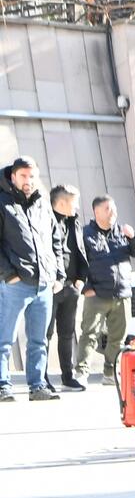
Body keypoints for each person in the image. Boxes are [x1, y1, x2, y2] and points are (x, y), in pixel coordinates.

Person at [0, 156, 61, 401]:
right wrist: (9, 274)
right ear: (13, 176)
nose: (28, 181)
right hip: (15, 284)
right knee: (5, 339)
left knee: (39, 340)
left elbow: (55, 239)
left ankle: (37, 386)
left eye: (32, 176)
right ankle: (2, 385)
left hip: (44, 283)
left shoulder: (42, 203)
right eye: (24, 176)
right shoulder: (2, 202)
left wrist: (58, 274)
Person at [75, 196, 135, 388]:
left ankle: (109, 372)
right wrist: (87, 287)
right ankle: (81, 371)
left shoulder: (122, 231)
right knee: (89, 334)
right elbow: (78, 263)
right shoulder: (86, 234)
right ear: (96, 212)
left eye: (114, 208)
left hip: (121, 293)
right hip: (97, 293)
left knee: (118, 337)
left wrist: (134, 237)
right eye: (108, 209)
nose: (113, 212)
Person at [48, 186, 88, 392]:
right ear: (62, 203)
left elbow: (80, 250)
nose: (77, 206)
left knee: (67, 334)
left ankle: (67, 376)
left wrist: (80, 279)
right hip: (51, 287)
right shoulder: (44, 219)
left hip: (71, 287)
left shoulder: (74, 221)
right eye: (74, 201)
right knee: (44, 335)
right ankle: (41, 379)